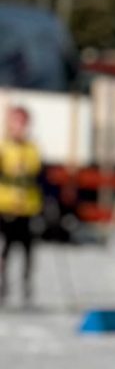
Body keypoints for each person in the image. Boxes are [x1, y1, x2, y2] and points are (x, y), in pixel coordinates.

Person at [0, 103, 44, 303]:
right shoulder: (4, 147)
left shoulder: (32, 149)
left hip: (28, 207)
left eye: (23, 123)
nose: (20, 128)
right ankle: (3, 286)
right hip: (6, 207)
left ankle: (26, 287)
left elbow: (40, 176)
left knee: (28, 251)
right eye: (16, 123)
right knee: (6, 249)